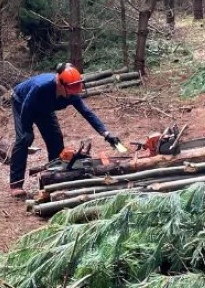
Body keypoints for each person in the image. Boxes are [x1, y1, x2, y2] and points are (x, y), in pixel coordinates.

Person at [8, 63, 124, 198]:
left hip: (45, 108)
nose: (72, 94)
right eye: (70, 91)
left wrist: (106, 134)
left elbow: (87, 113)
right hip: (21, 102)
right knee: (24, 139)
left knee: (56, 139)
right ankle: (16, 184)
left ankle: (53, 177)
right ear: (59, 84)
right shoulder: (41, 87)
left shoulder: (72, 92)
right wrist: (27, 129)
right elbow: (27, 108)